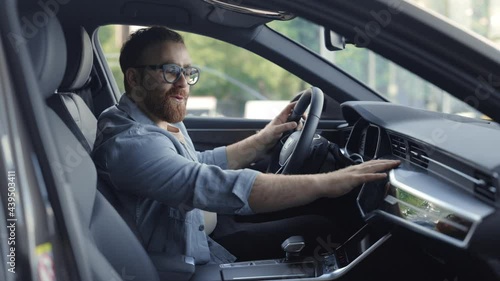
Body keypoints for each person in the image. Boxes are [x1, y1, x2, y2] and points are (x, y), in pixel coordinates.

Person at [92, 26, 400, 268]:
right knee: (322, 229)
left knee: (316, 220)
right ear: (134, 78)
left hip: (201, 226)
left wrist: (263, 139)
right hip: (187, 256)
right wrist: (329, 182)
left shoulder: (153, 116)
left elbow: (197, 163)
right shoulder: (131, 143)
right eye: (170, 71)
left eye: (188, 71)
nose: (183, 83)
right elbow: (211, 185)